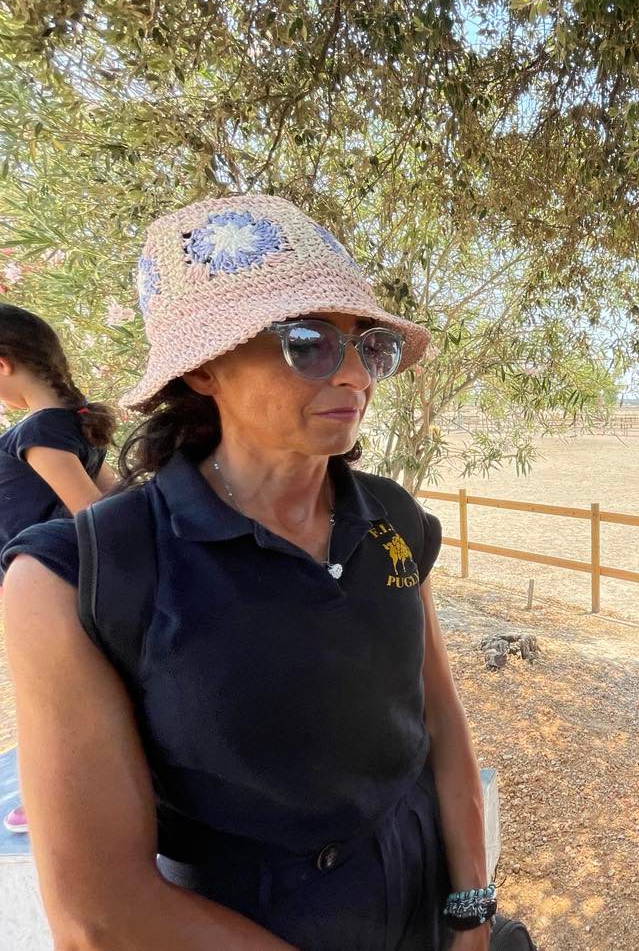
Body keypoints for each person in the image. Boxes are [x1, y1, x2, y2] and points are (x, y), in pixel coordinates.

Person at [2, 196, 494, 950]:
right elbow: (98, 914)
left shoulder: (392, 520)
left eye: (370, 347)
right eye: (309, 343)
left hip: (421, 905)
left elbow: (439, 721)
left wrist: (471, 910)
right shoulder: (75, 579)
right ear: (204, 369)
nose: (355, 375)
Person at [0, 302, 117, 833]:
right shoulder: (71, 421)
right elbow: (116, 499)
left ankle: (55, 800)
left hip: (48, 584)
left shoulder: (39, 430)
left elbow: (92, 513)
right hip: (68, 580)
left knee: (50, 699)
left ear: (3, 365)